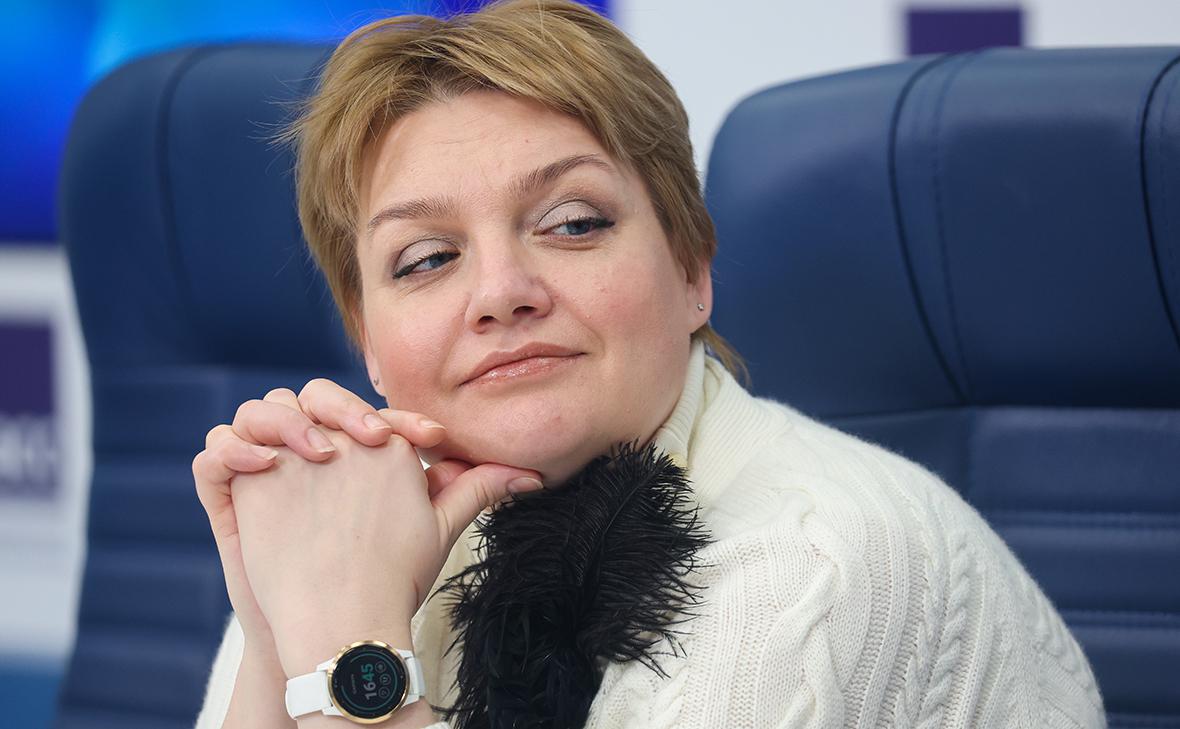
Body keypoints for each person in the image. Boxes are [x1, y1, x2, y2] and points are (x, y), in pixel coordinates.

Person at [190, 1, 1106, 727]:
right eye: (426, 259)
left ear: (692, 268)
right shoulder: (351, 530)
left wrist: (350, 655)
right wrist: (278, 620)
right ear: (369, 343)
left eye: (573, 223)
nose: (501, 292)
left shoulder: (818, 560)